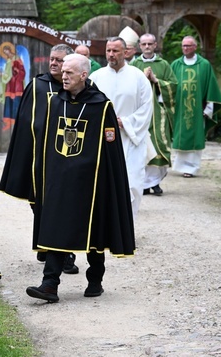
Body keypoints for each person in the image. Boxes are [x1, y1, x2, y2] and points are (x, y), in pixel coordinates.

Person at [25, 53, 135, 302]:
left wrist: (106, 182)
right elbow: (45, 144)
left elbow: (110, 149)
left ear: (83, 75)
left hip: (91, 182)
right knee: (55, 228)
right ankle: (49, 285)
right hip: (60, 181)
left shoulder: (101, 106)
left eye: (69, 73)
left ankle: (95, 279)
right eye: (62, 72)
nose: (63, 76)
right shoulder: (55, 103)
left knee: (94, 231)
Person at [0, 43, 79, 274]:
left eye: (60, 60)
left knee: (60, 207)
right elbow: (25, 124)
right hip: (38, 159)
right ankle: (46, 245)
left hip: (64, 158)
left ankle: (64, 254)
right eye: (52, 59)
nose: (54, 63)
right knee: (40, 205)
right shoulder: (37, 86)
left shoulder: (75, 88)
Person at [89, 37, 153, 219]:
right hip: (102, 138)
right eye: (108, 50)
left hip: (131, 138)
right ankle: (106, 229)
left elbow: (147, 107)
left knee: (132, 182)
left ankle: (127, 227)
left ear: (125, 52)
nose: (111, 54)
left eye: (115, 51)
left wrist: (124, 122)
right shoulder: (96, 77)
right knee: (103, 182)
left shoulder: (138, 77)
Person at [170, 35, 221, 178]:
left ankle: (192, 168)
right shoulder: (176, 65)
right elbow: (169, 85)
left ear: (195, 47)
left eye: (188, 46)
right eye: (183, 46)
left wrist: (209, 108)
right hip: (180, 108)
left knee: (195, 137)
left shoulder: (204, 65)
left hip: (197, 109)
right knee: (181, 136)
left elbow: (211, 87)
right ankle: (180, 166)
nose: (185, 48)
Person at [130, 33, 178, 196]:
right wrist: (143, 79)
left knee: (160, 146)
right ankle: (144, 184)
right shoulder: (134, 64)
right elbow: (129, 87)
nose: (147, 47)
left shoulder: (163, 64)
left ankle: (156, 183)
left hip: (158, 112)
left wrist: (156, 80)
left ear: (155, 45)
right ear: (139, 46)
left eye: (150, 44)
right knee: (142, 146)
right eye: (144, 44)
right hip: (140, 112)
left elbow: (174, 86)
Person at [0, 42, 26, 131]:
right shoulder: (8, 61)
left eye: (7, 52)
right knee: (8, 102)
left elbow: (22, 72)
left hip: (16, 84)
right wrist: (4, 74)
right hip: (9, 84)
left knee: (16, 102)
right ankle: (8, 122)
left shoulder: (17, 59)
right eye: (5, 53)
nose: (7, 54)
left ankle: (16, 121)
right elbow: (8, 73)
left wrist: (16, 71)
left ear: (10, 51)